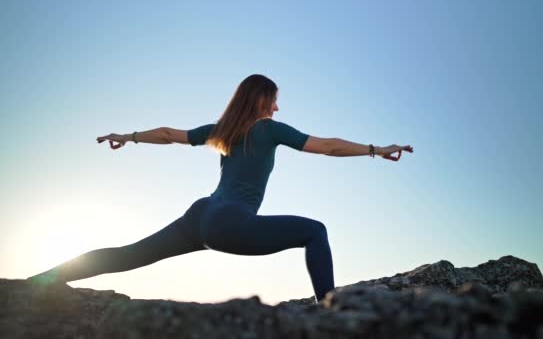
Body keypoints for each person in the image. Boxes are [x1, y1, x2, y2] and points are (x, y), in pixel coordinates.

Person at [26, 73, 414, 304]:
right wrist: (375, 150)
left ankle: (38, 281)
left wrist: (128, 136)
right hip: (230, 222)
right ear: (264, 100)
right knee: (315, 231)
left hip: (201, 214)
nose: (277, 109)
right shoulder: (269, 129)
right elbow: (327, 146)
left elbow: (166, 134)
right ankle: (331, 311)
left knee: (131, 255)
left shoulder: (222, 131)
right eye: (275, 101)